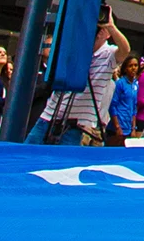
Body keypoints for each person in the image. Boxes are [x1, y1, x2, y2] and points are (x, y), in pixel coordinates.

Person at [34, 8, 130, 145]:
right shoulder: (75, 46)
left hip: (77, 124)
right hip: (49, 115)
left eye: (101, 29)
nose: (97, 31)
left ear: (107, 34)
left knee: (65, 157)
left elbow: (125, 50)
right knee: (28, 152)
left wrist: (110, 26)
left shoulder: (109, 54)